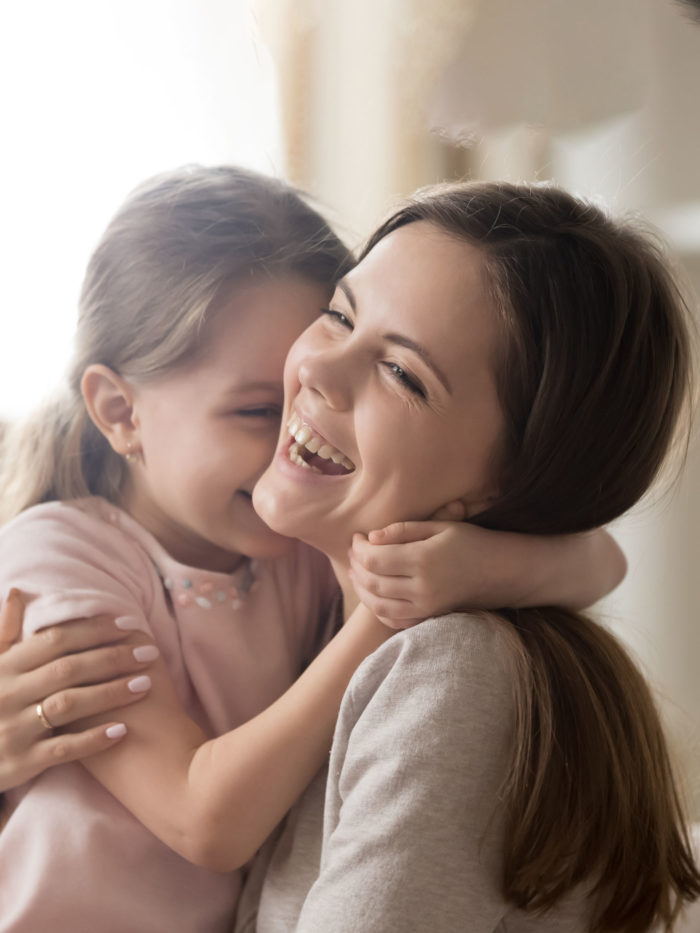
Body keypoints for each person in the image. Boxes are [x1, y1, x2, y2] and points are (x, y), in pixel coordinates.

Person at [0, 167, 623, 932]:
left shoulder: (290, 551)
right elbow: (208, 821)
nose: (296, 427)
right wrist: (386, 614)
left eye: (396, 369)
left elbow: (601, 559)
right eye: (257, 409)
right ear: (120, 412)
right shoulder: (64, 561)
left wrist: (476, 565)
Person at [233, 180, 700, 932]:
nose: (318, 370)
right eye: (339, 314)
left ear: (514, 480)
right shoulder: (304, 613)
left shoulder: (452, 674)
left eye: (403, 374)